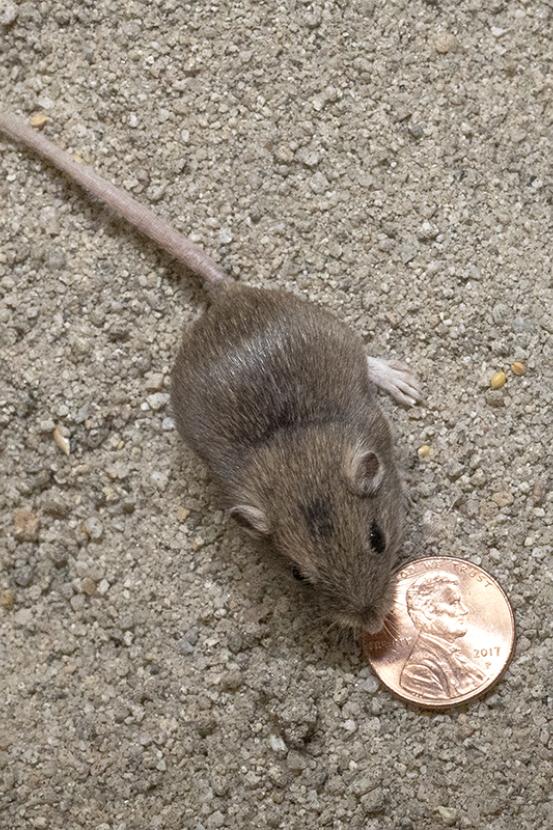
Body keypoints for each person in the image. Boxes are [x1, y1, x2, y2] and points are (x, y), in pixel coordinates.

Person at [400, 571, 487, 699]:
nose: (464, 610)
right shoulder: (418, 671)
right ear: (427, 610)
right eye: (453, 603)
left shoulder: (458, 657)